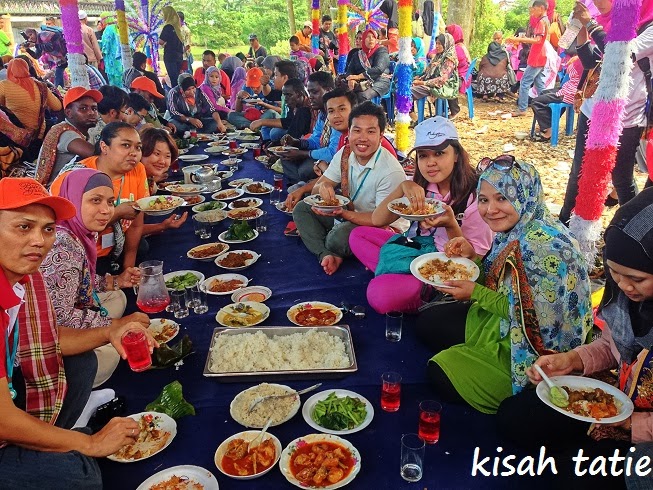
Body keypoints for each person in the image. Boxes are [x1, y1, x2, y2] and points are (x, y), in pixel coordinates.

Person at [0, 177, 153, 489]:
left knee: (84, 360)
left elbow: (48, 341)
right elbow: (2, 419)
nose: (40, 241)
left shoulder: (23, 280)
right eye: (23, 227)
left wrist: (111, 332)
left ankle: (50, 442)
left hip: (10, 401)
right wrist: (91, 444)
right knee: (80, 477)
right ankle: (60, 445)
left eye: (47, 229)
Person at [497, 188, 653, 489]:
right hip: (617, 404)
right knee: (515, 417)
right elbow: (612, 346)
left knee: (573, 476)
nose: (624, 287)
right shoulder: (625, 295)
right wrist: (572, 361)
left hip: (643, 431)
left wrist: (632, 425)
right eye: (614, 274)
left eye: (637, 279)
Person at [416, 157, 592, 414]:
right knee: (428, 324)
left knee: (439, 371)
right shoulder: (518, 228)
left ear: (525, 195)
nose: (490, 210)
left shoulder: (544, 247)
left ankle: (514, 390)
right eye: (484, 200)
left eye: (502, 198)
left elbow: (536, 323)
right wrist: (472, 257)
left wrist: (475, 293)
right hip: (500, 323)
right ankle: (477, 355)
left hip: (533, 351)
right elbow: (500, 282)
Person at [350, 117, 493, 314]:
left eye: (439, 153)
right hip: (417, 246)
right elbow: (378, 220)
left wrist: (451, 224)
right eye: (423, 156)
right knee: (358, 235)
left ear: (457, 155)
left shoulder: (476, 197)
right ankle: (398, 274)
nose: (430, 163)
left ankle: (425, 289)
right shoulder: (421, 186)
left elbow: (475, 261)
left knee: (378, 295)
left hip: (447, 264)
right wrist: (402, 186)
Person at [41, 169, 149, 387]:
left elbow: (79, 284)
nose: (106, 210)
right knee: (109, 356)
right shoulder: (63, 247)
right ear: (71, 200)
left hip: (72, 312)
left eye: (110, 202)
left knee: (117, 297)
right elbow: (60, 320)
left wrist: (115, 281)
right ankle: (81, 399)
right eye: (95, 201)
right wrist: (116, 325)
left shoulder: (77, 231)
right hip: (48, 341)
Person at [560, 0, 652, 224]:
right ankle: (563, 222)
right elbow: (592, 61)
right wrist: (581, 31)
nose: (598, 3)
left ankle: (629, 226)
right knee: (578, 171)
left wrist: (589, 23)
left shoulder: (649, 28)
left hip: (627, 116)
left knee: (621, 177)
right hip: (594, 111)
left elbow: (620, 55)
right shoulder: (606, 23)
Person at [293, 102, 407, 275]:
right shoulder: (346, 153)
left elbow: (379, 220)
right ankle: (326, 254)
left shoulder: (390, 171)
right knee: (302, 209)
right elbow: (319, 187)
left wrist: (342, 214)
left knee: (338, 237)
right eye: (357, 130)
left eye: (370, 131)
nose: (362, 138)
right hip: (349, 215)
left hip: (382, 227)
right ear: (349, 132)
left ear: (381, 136)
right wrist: (323, 187)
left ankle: (329, 246)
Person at [50, 122, 148, 274]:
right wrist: (117, 214)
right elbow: (65, 235)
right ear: (104, 147)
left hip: (116, 247)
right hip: (79, 255)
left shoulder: (137, 170)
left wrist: (128, 269)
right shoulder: (74, 177)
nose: (134, 153)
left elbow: (135, 225)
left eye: (138, 147)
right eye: (126, 145)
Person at [284, 87, 398, 210]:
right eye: (331, 111)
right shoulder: (344, 139)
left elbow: (382, 215)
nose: (336, 116)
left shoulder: (374, 144)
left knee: (305, 179)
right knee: (303, 205)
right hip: (350, 199)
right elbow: (334, 176)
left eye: (342, 109)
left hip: (373, 214)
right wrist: (313, 187)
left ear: (354, 110)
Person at [279, 71, 341, 185]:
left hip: (333, 161)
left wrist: (303, 154)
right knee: (286, 157)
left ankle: (303, 187)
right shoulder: (322, 113)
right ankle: (302, 186)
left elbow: (333, 153)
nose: (310, 97)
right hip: (320, 154)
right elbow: (316, 140)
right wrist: (297, 142)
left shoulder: (337, 116)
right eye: (309, 92)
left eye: (315, 92)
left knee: (305, 170)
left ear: (329, 90)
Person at [35, 87, 100, 186]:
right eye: (83, 108)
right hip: (56, 192)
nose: (91, 112)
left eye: (94, 108)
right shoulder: (66, 133)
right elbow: (97, 156)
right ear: (69, 113)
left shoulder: (85, 132)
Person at [0, 58, 62, 162]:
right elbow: (58, 106)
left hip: (15, 137)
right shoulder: (40, 86)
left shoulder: (4, 85)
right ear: (27, 69)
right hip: (38, 135)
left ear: (10, 70)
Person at [139, 127, 188, 235]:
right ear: (140, 152)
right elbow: (128, 230)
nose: (162, 161)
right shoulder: (132, 181)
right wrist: (162, 226)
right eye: (157, 154)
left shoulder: (150, 180)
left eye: (167, 156)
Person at [506, 0, 550, 117]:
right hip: (540, 55)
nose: (532, 12)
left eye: (534, 9)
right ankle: (546, 106)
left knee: (525, 82)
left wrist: (519, 39)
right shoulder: (545, 20)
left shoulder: (542, 22)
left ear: (541, 8)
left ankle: (522, 108)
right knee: (539, 83)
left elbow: (537, 40)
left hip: (537, 56)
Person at [531, 56, 582, 142]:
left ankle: (549, 129)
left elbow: (568, 73)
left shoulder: (580, 62)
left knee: (536, 102)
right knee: (544, 93)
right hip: (568, 89)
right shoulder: (580, 59)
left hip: (569, 93)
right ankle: (549, 122)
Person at [411, 34, 460, 118]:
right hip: (433, 83)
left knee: (408, 92)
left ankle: (417, 119)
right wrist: (419, 80)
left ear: (446, 44)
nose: (437, 46)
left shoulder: (449, 59)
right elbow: (427, 73)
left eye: (440, 44)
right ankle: (416, 118)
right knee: (404, 89)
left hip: (444, 86)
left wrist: (422, 82)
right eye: (436, 43)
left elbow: (442, 80)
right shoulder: (438, 56)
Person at [250, 78, 311, 145]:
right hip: (297, 137)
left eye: (289, 95)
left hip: (306, 141)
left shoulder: (305, 110)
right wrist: (261, 122)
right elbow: (288, 123)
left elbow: (294, 134)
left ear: (299, 95)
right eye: (284, 95)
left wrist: (276, 144)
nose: (285, 99)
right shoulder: (294, 104)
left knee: (275, 132)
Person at [344, 29, 391, 103]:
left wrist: (358, 76)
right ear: (363, 40)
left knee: (362, 96)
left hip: (380, 81)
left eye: (373, 37)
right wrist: (351, 79)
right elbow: (349, 70)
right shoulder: (357, 55)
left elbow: (379, 69)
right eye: (368, 37)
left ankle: (367, 114)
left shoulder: (381, 51)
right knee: (345, 94)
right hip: (362, 83)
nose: (371, 39)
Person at [475, 31, 511, 101]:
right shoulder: (504, 56)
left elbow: (480, 68)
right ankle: (499, 96)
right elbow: (506, 67)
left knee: (483, 76)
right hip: (500, 79)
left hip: (485, 80)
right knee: (503, 75)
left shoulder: (485, 57)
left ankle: (485, 94)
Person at [445, 24, 470, 118]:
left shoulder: (458, 48)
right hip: (456, 75)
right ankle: (444, 109)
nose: (446, 36)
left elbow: (453, 62)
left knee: (446, 84)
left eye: (448, 34)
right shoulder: (454, 47)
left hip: (461, 77)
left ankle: (454, 110)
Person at [196, 66, 228, 133]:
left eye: (216, 77)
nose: (214, 79)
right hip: (205, 114)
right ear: (207, 76)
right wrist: (229, 110)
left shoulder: (217, 88)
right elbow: (213, 106)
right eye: (211, 76)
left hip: (214, 112)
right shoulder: (205, 87)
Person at [159, 6, 184, 87]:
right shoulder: (177, 27)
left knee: (173, 80)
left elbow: (160, 41)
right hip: (179, 57)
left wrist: (165, 44)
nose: (163, 16)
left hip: (170, 57)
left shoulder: (168, 27)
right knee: (177, 79)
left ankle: (175, 97)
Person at [99, 12, 122, 87]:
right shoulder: (116, 27)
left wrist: (100, 49)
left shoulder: (108, 29)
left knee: (113, 82)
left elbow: (106, 45)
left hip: (111, 60)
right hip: (119, 59)